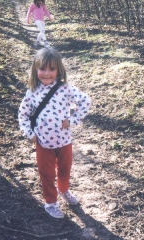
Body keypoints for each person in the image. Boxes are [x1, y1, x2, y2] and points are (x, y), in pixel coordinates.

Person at [18, 48, 92, 218]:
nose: (46, 73)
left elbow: (85, 101)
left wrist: (73, 120)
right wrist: (29, 133)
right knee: (47, 173)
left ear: (59, 70)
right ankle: (50, 202)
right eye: (42, 68)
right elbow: (22, 114)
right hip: (43, 142)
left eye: (52, 69)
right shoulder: (32, 92)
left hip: (64, 140)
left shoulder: (65, 88)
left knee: (65, 169)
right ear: (35, 69)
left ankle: (63, 190)